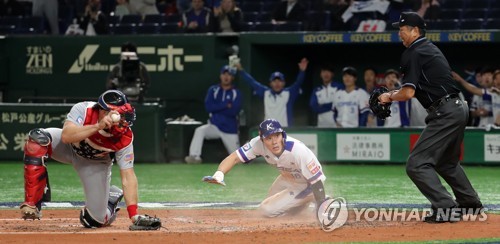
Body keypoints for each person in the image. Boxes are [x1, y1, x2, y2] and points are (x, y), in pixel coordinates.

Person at [377, 12, 483, 223]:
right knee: (447, 163)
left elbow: (407, 94)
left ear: (415, 31)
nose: (400, 33)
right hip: (458, 107)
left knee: (416, 164)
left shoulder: (413, 52)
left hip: (445, 111)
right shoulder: (429, 48)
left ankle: (446, 208)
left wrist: (388, 96)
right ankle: (470, 204)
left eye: (402, 29)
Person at [20, 90, 157, 228]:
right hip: (69, 148)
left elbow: (128, 176)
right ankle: (31, 204)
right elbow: (66, 136)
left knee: (93, 221)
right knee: (37, 140)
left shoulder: (125, 137)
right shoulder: (84, 109)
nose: (123, 119)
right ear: (103, 112)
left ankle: (110, 200)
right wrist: (99, 126)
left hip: (95, 163)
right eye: (119, 114)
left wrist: (133, 215)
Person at [203, 118, 328, 218]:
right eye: (269, 138)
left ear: (282, 135)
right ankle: (300, 204)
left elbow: (316, 181)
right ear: (262, 139)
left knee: (266, 210)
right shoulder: (257, 144)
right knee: (270, 201)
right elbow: (234, 157)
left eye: (277, 136)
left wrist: (321, 207)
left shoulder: (298, 151)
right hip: (288, 177)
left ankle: (315, 199)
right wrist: (219, 174)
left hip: (307, 184)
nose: (274, 142)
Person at [184, 65, 242, 164]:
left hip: (229, 129)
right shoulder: (213, 90)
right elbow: (209, 107)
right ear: (220, 76)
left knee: (239, 160)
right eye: (224, 74)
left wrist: (217, 109)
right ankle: (194, 156)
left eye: (229, 74)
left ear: (232, 77)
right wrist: (225, 105)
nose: (226, 77)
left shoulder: (236, 92)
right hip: (214, 126)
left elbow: (234, 111)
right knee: (200, 131)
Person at [235, 58, 309, 127]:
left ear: (284, 83)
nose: (277, 83)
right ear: (270, 83)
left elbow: (298, 83)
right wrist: (241, 70)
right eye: (274, 81)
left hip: (285, 129)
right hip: (268, 130)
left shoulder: (288, 93)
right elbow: (251, 81)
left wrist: (302, 71)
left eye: (280, 81)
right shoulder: (265, 92)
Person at [309, 63, 345, 127]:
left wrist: (322, 105)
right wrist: (332, 104)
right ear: (320, 74)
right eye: (324, 72)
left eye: (328, 72)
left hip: (338, 125)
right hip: (322, 126)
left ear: (332, 74)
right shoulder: (317, 90)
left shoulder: (339, 87)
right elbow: (314, 107)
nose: (326, 74)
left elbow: (341, 104)